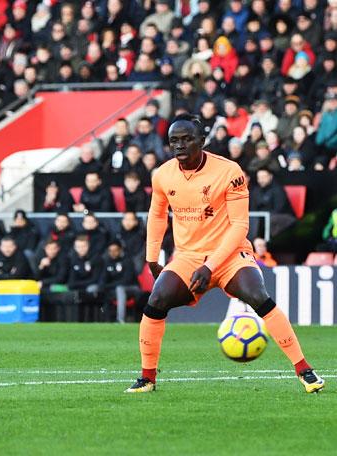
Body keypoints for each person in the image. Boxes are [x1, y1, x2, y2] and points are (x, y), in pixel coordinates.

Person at [125, 114, 323, 394]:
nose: (179, 146)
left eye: (186, 139)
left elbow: (240, 226)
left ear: (202, 141)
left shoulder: (230, 172)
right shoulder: (163, 174)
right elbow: (157, 215)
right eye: (173, 141)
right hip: (188, 256)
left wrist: (211, 266)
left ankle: (304, 370)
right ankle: (147, 378)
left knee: (258, 296)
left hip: (230, 254)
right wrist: (151, 257)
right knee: (156, 300)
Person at [100, 239, 142, 323]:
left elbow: (127, 280)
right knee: (101, 290)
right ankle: (104, 319)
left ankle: (120, 319)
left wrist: (108, 286)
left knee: (120, 289)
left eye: (115, 250)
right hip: (114, 289)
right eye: (110, 250)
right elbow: (103, 280)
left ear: (120, 250)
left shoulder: (127, 261)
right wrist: (105, 286)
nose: (113, 253)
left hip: (133, 288)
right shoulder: (107, 262)